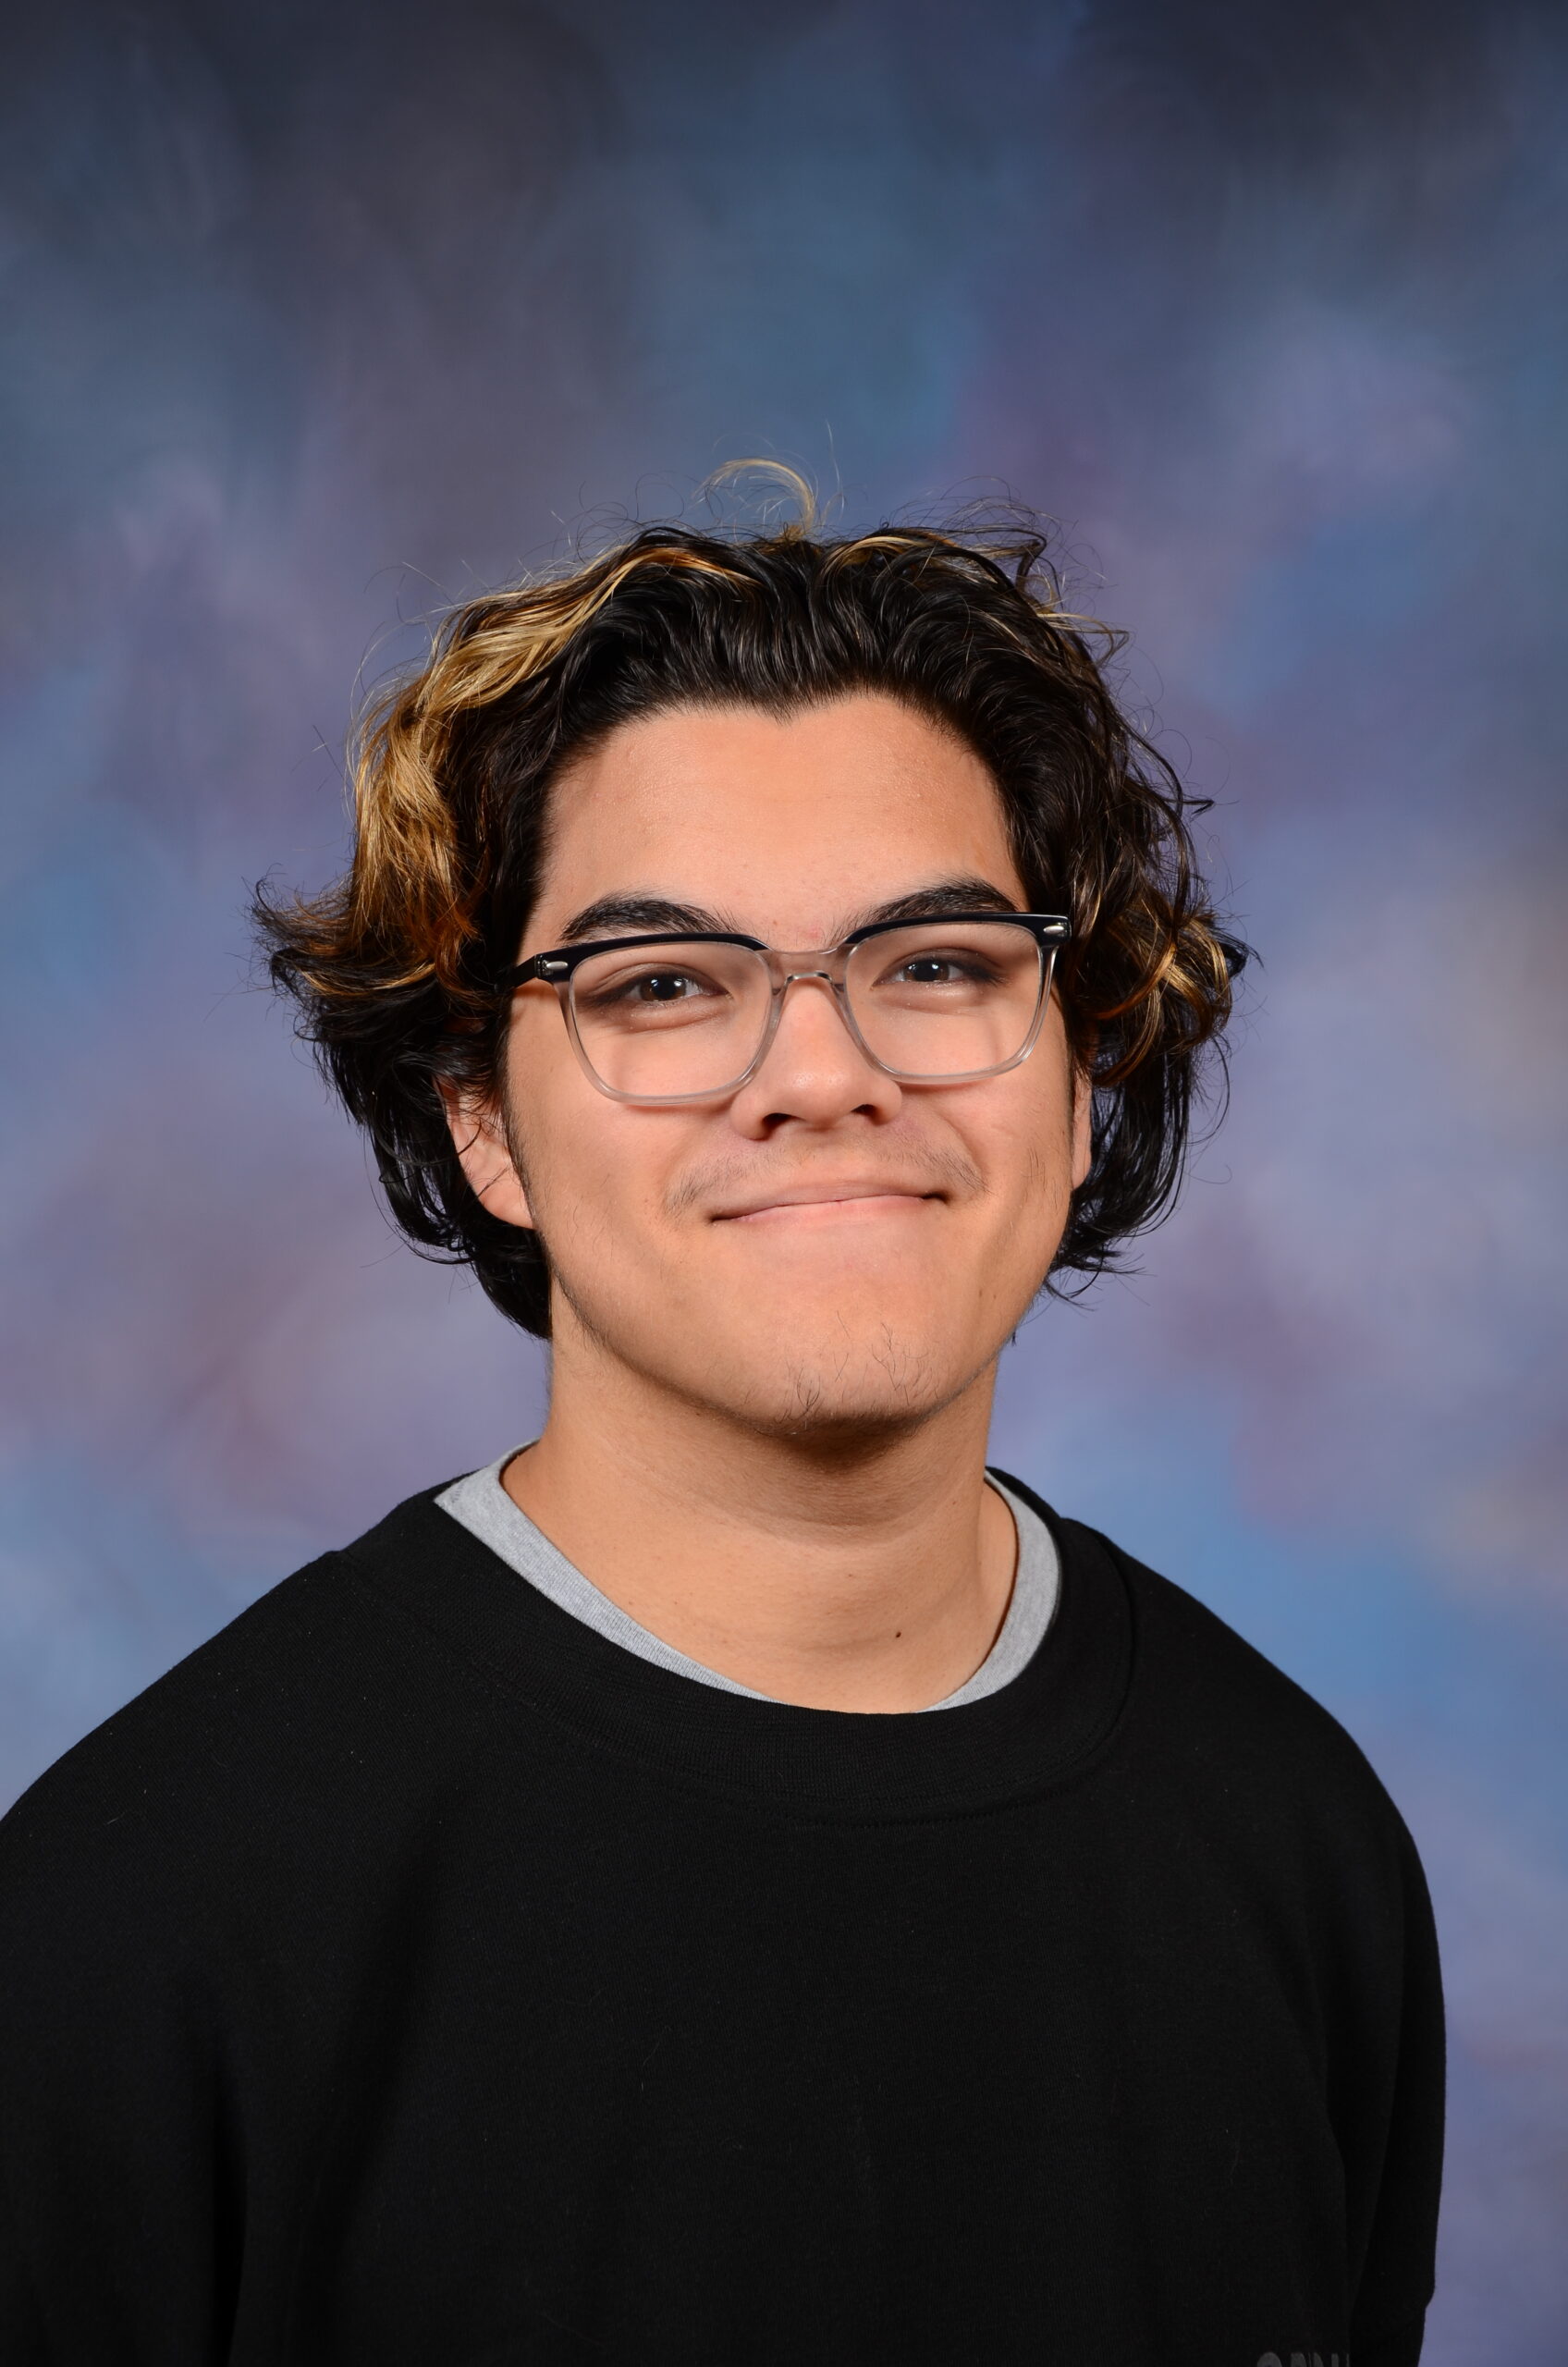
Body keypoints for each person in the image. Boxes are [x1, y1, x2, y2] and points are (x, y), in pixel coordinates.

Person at [0, 491, 1443, 2365]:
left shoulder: (1295, 1844)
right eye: (664, 985)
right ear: (481, 1120)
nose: (820, 1075)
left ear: (1083, 1074)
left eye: (937, 962)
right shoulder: (135, 1925)